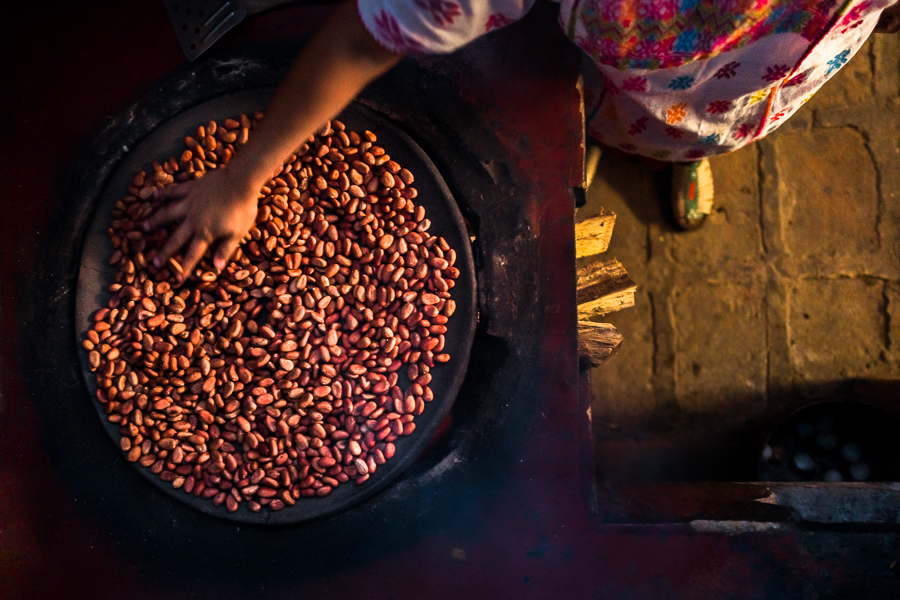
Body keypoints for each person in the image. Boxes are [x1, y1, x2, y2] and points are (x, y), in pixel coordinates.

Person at [146, 0, 900, 279]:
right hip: (625, 76)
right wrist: (243, 178)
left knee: (696, 133)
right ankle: (610, 137)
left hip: (766, 82)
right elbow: (359, 43)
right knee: (607, 115)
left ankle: (678, 149)